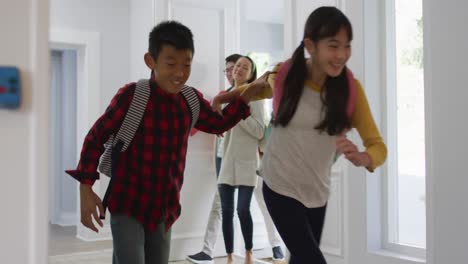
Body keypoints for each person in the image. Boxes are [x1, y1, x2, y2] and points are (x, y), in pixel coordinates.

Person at [65, 21, 263, 264]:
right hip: (127, 201)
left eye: (186, 65)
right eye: (171, 64)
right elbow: (95, 138)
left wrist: (248, 96)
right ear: (151, 61)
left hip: (164, 207)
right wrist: (86, 187)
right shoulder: (133, 95)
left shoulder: (190, 99)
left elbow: (217, 124)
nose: (179, 73)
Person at [213, 7, 387, 264]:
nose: (341, 55)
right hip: (279, 186)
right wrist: (224, 97)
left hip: (317, 193)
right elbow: (254, 89)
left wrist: (366, 157)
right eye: (333, 45)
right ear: (310, 45)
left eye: (346, 46)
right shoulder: (285, 75)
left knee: (301, 260)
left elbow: (377, 145)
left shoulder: (350, 90)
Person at [187, 56, 284, 264]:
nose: (233, 71)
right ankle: (210, 252)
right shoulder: (224, 97)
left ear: (251, 73)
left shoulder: (255, 96)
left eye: (240, 67)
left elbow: (259, 130)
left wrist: (238, 114)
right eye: (230, 68)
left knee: (255, 205)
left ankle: (275, 246)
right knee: (221, 206)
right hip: (224, 157)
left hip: (250, 161)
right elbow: (212, 122)